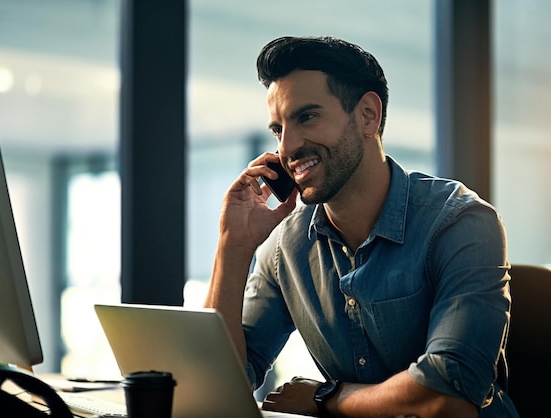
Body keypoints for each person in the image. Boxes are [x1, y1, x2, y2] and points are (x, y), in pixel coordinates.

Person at [204, 36, 518, 418]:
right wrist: (232, 248)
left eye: (307, 117)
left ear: (368, 114)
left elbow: (447, 394)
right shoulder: (284, 246)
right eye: (278, 129)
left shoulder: (460, 222)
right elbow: (215, 384)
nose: (287, 148)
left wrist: (328, 397)